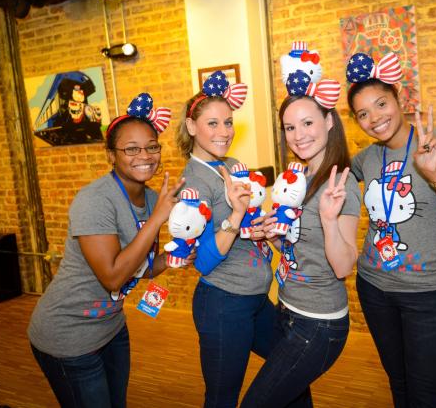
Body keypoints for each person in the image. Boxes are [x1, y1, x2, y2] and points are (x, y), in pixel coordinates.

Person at [346, 52, 436, 407]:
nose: (375, 118)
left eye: (381, 104)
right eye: (363, 114)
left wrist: (434, 173)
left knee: (428, 396)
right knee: (400, 386)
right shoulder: (366, 158)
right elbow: (327, 174)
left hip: (430, 296)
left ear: (398, 99)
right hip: (375, 289)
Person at [28, 93, 183, 408]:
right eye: (131, 149)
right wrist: (157, 219)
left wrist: (174, 257)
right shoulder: (94, 200)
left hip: (112, 329)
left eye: (152, 146)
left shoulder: (153, 200)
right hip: (68, 336)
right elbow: (113, 277)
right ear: (111, 155)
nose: (145, 156)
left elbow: (140, 267)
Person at [240, 69, 361, 408]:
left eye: (307, 123)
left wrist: (328, 220)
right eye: (290, 127)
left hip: (318, 324)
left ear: (329, 121)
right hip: (287, 310)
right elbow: (296, 248)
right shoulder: (297, 176)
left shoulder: (341, 183)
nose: (298, 135)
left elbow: (343, 266)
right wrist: (273, 235)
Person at [176, 71, 275, 408]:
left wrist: (261, 226)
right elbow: (203, 262)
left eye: (228, 122)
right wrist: (236, 214)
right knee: (222, 398)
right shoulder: (193, 183)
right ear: (192, 127)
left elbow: (249, 221)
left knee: (290, 373)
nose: (225, 132)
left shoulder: (232, 165)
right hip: (223, 303)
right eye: (213, 123)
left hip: (256, 297)